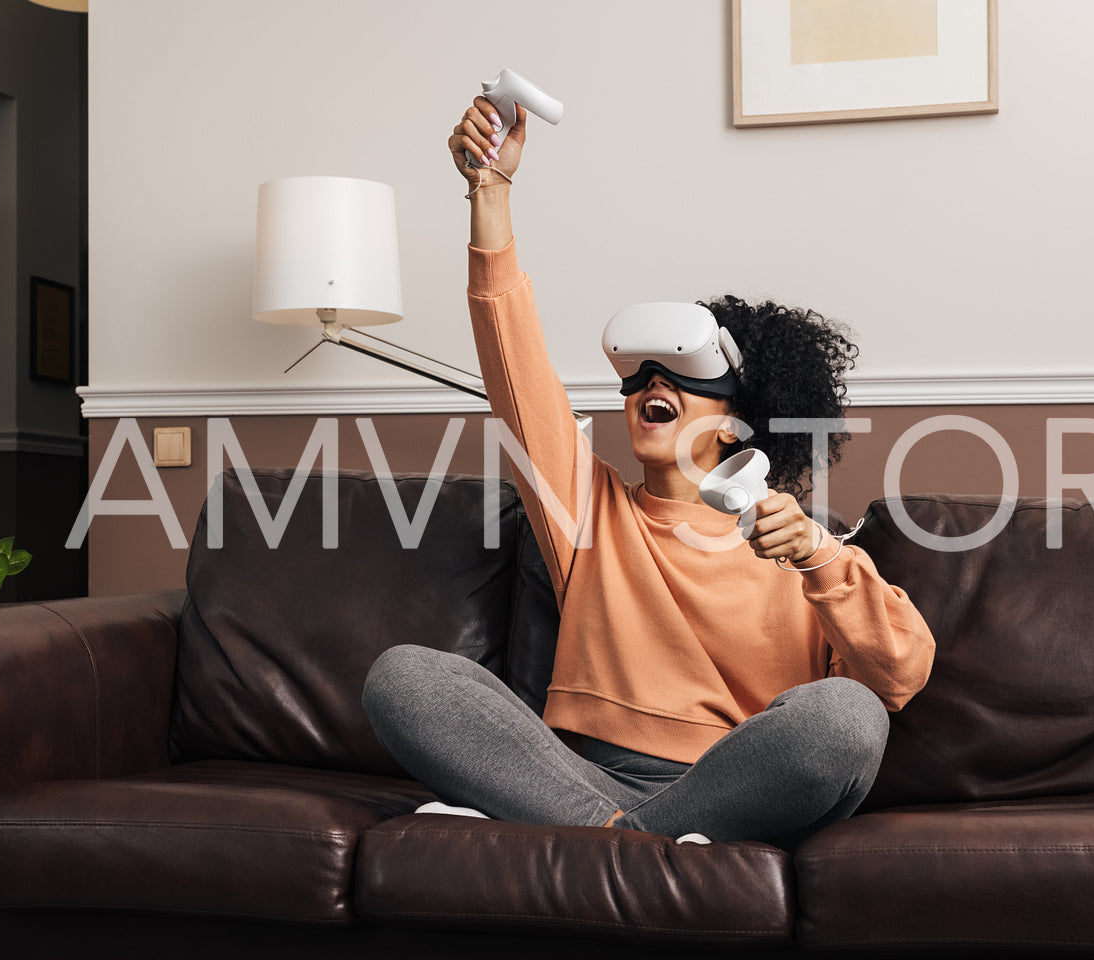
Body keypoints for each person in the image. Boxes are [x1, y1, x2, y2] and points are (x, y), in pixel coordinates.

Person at [361, 96, 935, 848]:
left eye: (678, 378)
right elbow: (514, 365)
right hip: (571, 772)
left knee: (847, 717)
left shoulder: (799, 544)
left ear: (742, 414)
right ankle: (636, 839)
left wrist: (822, 559)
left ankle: (599, 840)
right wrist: (490, 192)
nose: (648, 388)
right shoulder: (583, 507)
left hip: (730, 787)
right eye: (634, 381)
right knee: (402, 676)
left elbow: (897, 676)